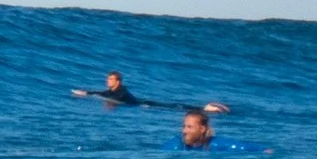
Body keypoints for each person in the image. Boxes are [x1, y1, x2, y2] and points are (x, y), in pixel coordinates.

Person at [74, 70, 226, 113]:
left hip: (143, 105)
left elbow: (110, 96)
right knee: (172, 106)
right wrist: (87, 93)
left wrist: (89, 94)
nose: (108, 81)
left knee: (172, 107)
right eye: (108, 79)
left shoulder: (120, 92)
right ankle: (203, 108)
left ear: (118, 81)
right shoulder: (113, 92)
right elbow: (104, 94)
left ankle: (206, 109)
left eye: (111, 79)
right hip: (141, 103)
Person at [170, 108, 265, 153]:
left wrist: (264, 150)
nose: (184, 131)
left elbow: (245, 146)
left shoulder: (217, 144)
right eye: (184, 126)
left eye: (189, 127)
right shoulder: (176, 144)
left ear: (202, 129)